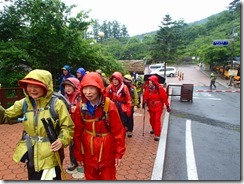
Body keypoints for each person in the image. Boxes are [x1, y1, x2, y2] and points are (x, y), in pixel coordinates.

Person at [0, 69, 74, 180]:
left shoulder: (56, 104)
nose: (32, 90)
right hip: (31, 152)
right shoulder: (25, 103)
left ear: (46, 87)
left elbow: (67, 127)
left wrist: (62, 140)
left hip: (51, 153)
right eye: (29, 85)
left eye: (37, 86)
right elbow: (5, 117)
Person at [72, 72, 126, 180]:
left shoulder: (109, 105)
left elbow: (118, 130)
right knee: (90, 177)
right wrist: (78, 154)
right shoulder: (80, 107)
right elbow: (77, 132)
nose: (88, 92)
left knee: (108, 177)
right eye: (85, 88)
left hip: (107, 148)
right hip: (88, 148)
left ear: (99, 88)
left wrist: (119, 153)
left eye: (92, 88)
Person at [61, 78, 81, 174]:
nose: (67, 89)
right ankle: (73, 162)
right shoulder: (64, 97)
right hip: (70, 125)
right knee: (72, 144)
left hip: (80, 125)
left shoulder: (80, 97)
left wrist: (76, 110)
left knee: (83, 143)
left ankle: (85, 161)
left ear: (75, 86)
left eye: (69, 86)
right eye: (65, 86)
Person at [142, 75, 170, 141]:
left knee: (157, 119)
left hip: (158, 106)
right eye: (149, 82)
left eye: (151, 82)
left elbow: (164, 98)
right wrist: (144, 102)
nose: (149, 83)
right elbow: (145, 96)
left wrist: (167, 106)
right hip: (151, 106)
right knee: (152, 119)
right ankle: (154, 129)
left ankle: (157, 134)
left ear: (154, 82)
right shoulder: (148, 89)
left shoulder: (160, 89)